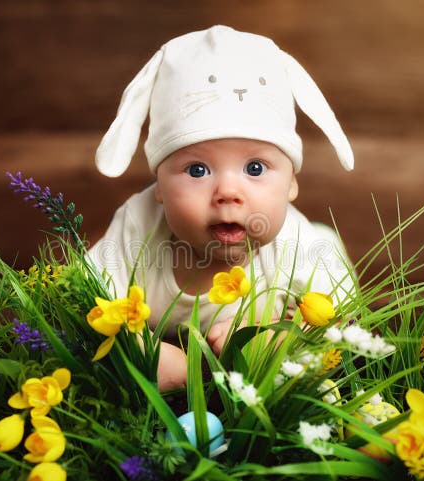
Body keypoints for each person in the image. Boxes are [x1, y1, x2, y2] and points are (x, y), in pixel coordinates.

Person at [89, 25, 356, 390]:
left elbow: (341, 315)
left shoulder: (292, 243)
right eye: (197, 170)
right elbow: (83, 299)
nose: (228, 192)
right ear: (160, 187)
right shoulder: (137, 226)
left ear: (292, 182)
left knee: (324, 253)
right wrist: (146, 352)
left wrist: (280, 340)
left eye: (255, 168)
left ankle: (328, 238)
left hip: (307, 256)